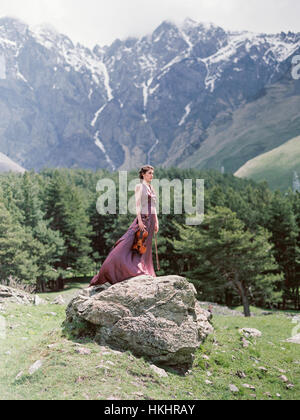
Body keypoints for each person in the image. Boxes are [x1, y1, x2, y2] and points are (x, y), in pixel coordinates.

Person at [89, 165, 159, 286]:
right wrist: (140, 221)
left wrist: (156, 221)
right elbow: (137, 205)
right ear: (143, 174)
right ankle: (112, 268)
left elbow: (154, 206)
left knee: (145, 245)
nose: (152, 175)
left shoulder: (151, 187)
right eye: (149, 173)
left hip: (151, 218)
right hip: (143, 217)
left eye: (152, 173)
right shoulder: (139, 186)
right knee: (129, 241)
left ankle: (143, 268)